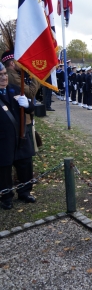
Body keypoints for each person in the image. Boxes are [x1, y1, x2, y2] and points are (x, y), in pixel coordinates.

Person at [0, 62, 36, 210]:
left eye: (4, 74)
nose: (4, 78)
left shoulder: (15, 89)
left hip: (20, 136)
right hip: (3, 140)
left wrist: (28, 105)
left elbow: (31, 110)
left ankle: (25, 192)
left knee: (25, 165)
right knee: (4, 170)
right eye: (0, 76)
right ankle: (6, 197)